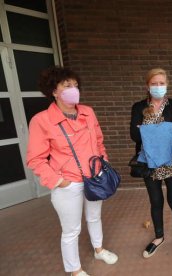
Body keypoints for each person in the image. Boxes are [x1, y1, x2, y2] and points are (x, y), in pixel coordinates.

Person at [26, 66, 118, 276]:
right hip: (68, 183)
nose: (73, 90)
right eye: (67, 86)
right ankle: (75, 270)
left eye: (75, 85)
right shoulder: (41, 121)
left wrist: (102, 162)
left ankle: (99, 250)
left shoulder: (88, 112)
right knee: (71, 230)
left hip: (94, 178)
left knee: (94, 218)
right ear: (54, 91)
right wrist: (59, 181)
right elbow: (35, 159)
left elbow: (98, 140)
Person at [130, 68, 172, 258]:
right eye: (154, 83)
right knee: (155, 201)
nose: (158, 87)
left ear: (167, 84)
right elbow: (134, 135)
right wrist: (165, 130)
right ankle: (159, 237)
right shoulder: (138, 107)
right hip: (148, 162)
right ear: (148, 85)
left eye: (161, 83)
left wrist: (147, 131)